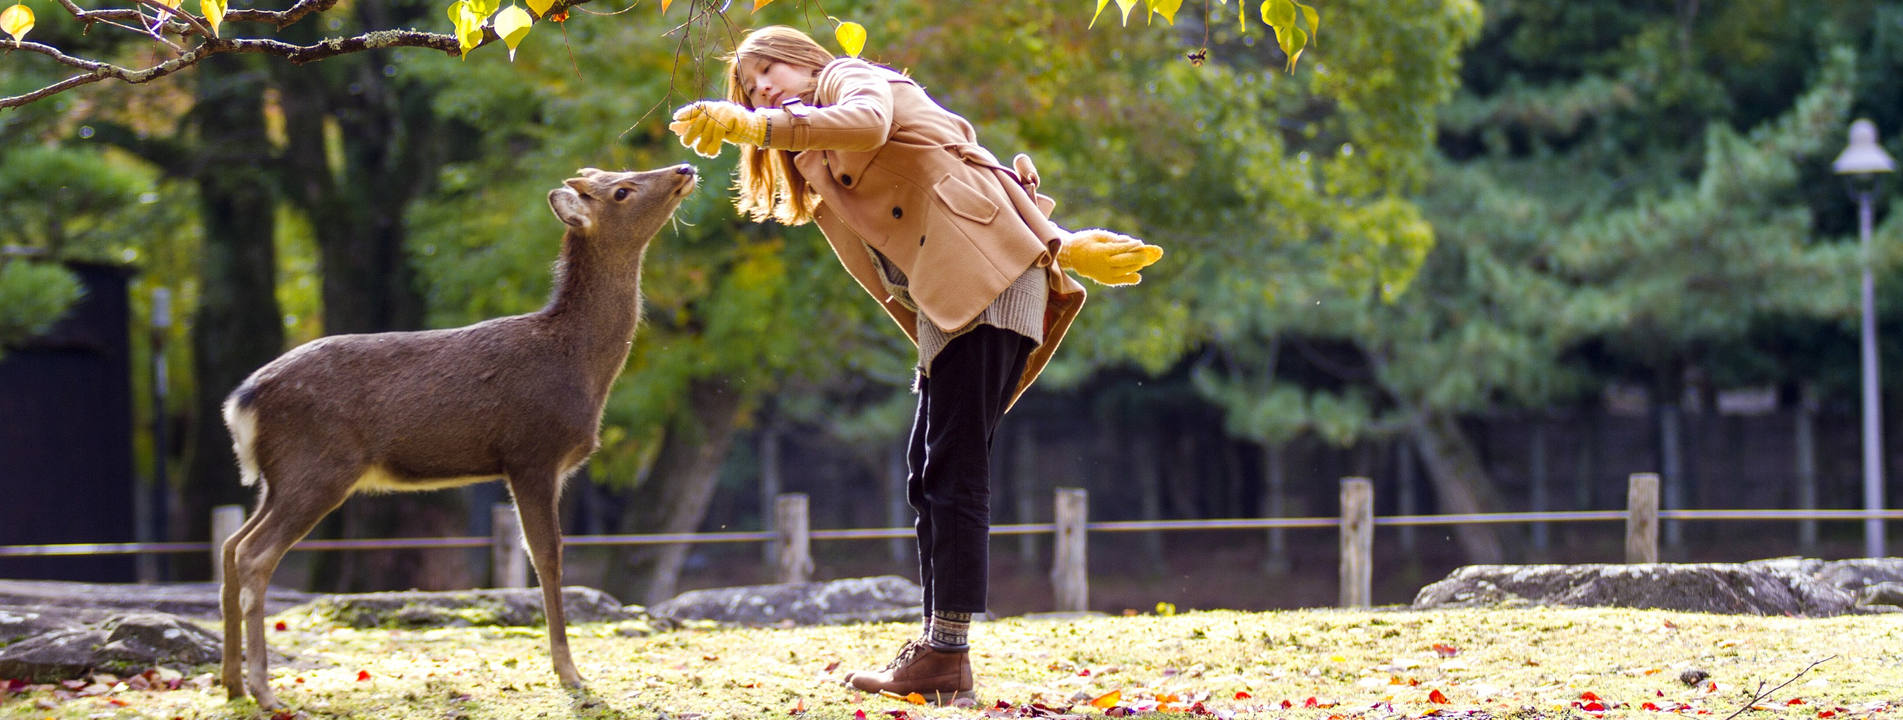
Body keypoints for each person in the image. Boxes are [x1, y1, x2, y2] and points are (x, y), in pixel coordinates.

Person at [668, 25, 1162, 703]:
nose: (762, 90)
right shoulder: (814, 161)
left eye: (769, 71)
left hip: (983, 282)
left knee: (953, 470)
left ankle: (945, 656)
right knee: (929, 472)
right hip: (950, 298)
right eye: (750, 88)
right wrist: (1061, 244)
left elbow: (871, 125)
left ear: (806, 60)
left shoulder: (856, 81)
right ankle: (937, 651)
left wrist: (752, 125)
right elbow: (967, 161)